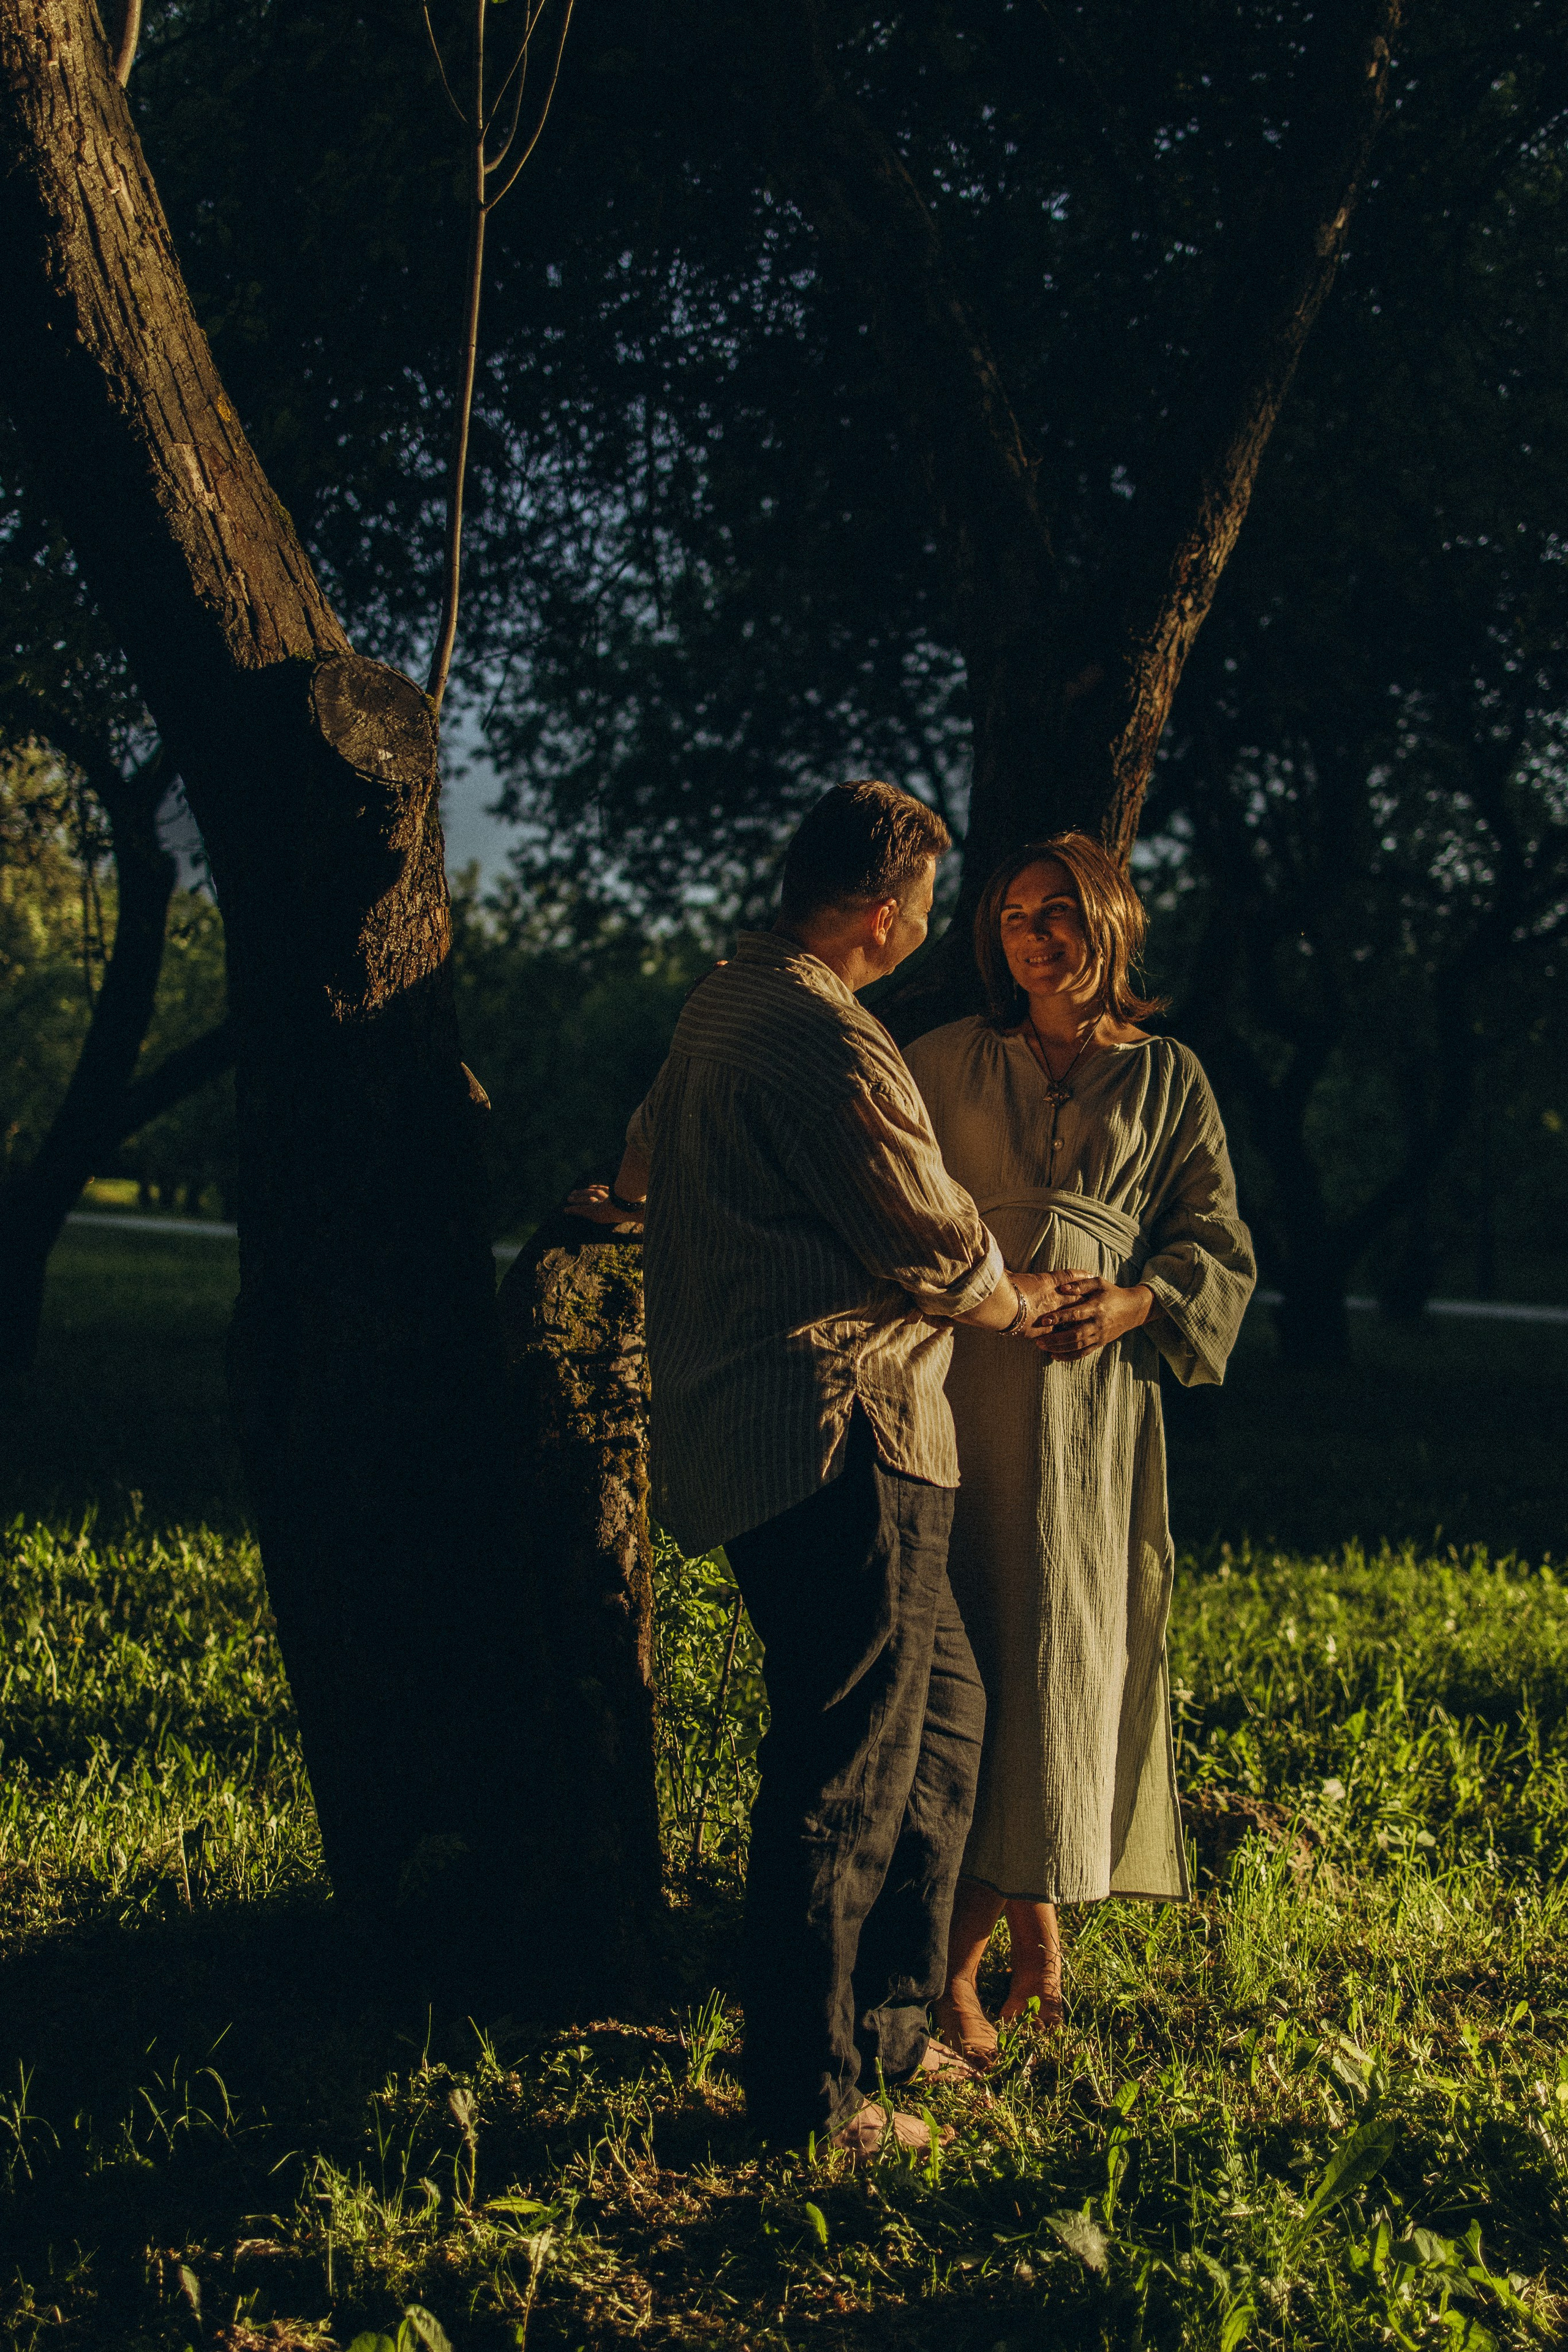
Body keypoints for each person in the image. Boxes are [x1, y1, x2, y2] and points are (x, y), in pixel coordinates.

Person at [570, 782, 1072, 2155]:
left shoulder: (723, 1005)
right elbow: (930, 1242)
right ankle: (806, 2099)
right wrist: (1024, 1298)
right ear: (876, 909)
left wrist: (617, 1203)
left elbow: (645, 1162)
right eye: (920, 904)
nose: (924, 928)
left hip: (773, 1430)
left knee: (944, 1727)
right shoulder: (824, 1038)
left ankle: (891, 2032)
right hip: (841, 1432)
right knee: (845, 1768)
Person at [903, 834, 1256, 2061]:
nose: (1032, 934)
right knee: (972, 1660)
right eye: (1010, 917)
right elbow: (873, 1188)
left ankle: (962, 1970)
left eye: (1057, 912)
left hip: (1083, 1416)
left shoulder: (1166, 1078)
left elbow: (1216, 1245)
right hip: (953, 1395)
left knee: (1054, 1656)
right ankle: (1010, 1951)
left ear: (1108, 922)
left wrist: (1131, 1302)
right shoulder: (944, 1060)